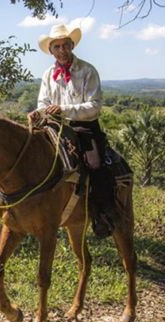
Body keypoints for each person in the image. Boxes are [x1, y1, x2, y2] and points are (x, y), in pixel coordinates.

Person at [29, 23, 116, 237]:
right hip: (55, 127)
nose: (61, 50)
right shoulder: (48, 74)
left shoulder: (87, 71)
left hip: (84, 127)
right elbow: (43, 102)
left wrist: (63, 109)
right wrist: (38, 113)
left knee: (95, 164)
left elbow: (94, 106)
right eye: (57, 46)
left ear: (72, 45)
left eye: (65, 45)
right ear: (51, 50)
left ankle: (102, 212)